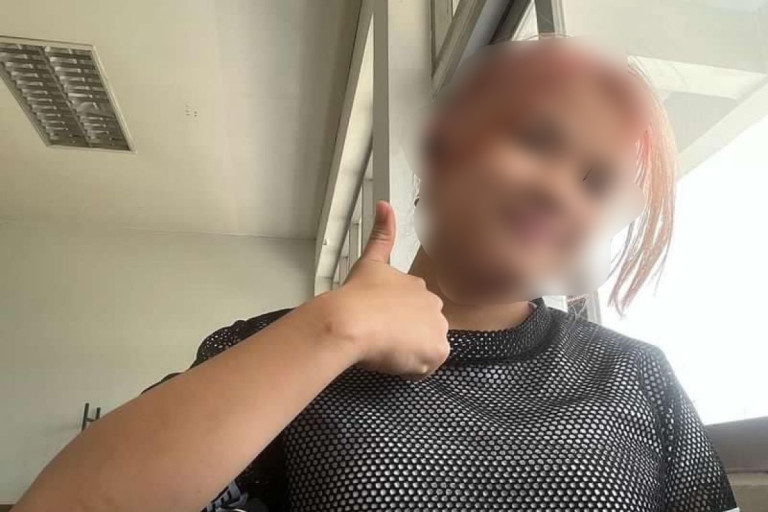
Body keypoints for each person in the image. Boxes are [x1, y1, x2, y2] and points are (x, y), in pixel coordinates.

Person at [14, 39, 737, 512]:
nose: (558, 190)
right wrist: (338, 328)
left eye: (596, 182)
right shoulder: (279, 350)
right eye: (536, 140)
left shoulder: (637, 377)